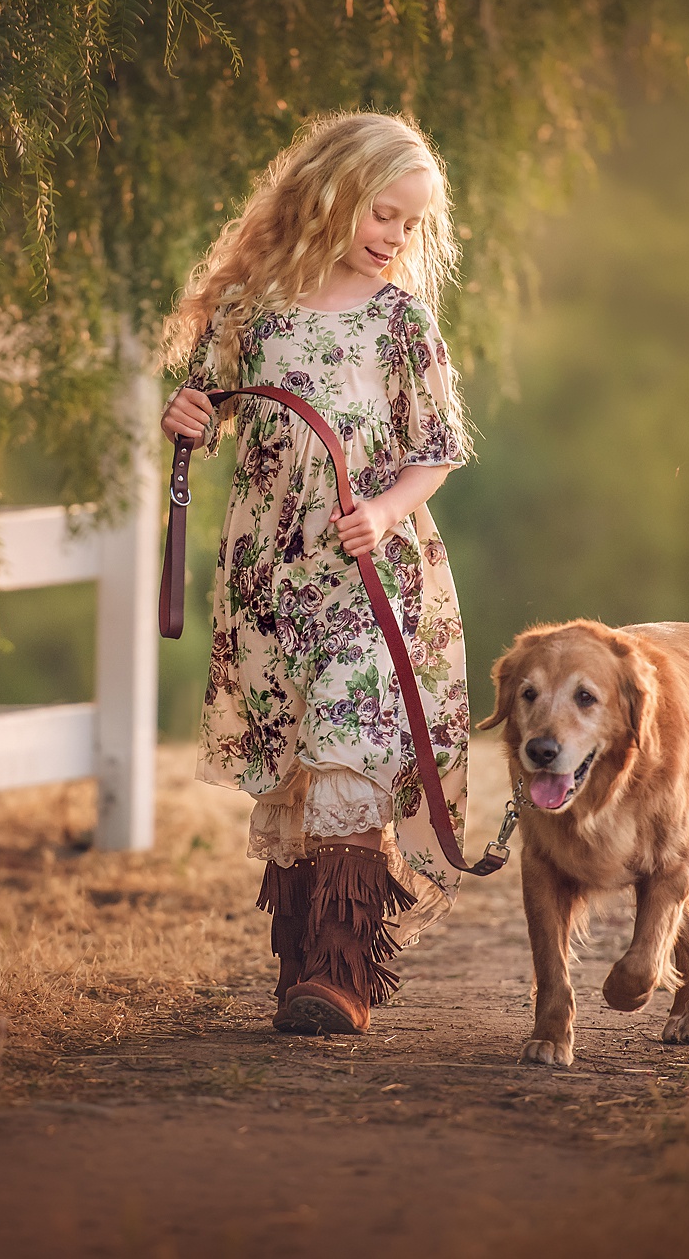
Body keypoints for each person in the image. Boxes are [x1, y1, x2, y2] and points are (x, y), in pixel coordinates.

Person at [159, 111, 474, 1035]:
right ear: (330, 195)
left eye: (411, 225)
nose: (395, 238)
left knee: (352, 746)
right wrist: (185, 419)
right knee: (295, 759)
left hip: (367, 572)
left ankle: (342, 975)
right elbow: (204, 407)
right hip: (270, 575)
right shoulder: (251, 305)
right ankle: (301, 966)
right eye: (384, 214)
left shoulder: (399, 321)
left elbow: (438, 450)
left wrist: (382, 509)